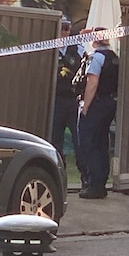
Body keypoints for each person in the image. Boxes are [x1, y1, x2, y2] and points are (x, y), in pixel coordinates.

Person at [75, 27, 119, 199]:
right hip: (110, 104)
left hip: (97, 103)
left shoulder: (96, 57)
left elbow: (92, 83)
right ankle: (101, 183)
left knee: (88, 143)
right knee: (102, 144)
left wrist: (86, 105)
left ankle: (94, 185)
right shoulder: (114, 57)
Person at [51, 15, 85, 172]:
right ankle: (58, 170)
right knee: (55, 138)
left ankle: (85, 174)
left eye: (67, 28)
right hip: (55, 99)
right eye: (61, 28)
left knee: (79, 138)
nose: (64, 32)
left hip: (73, 99)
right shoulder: (49, 47)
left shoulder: (77, 47)